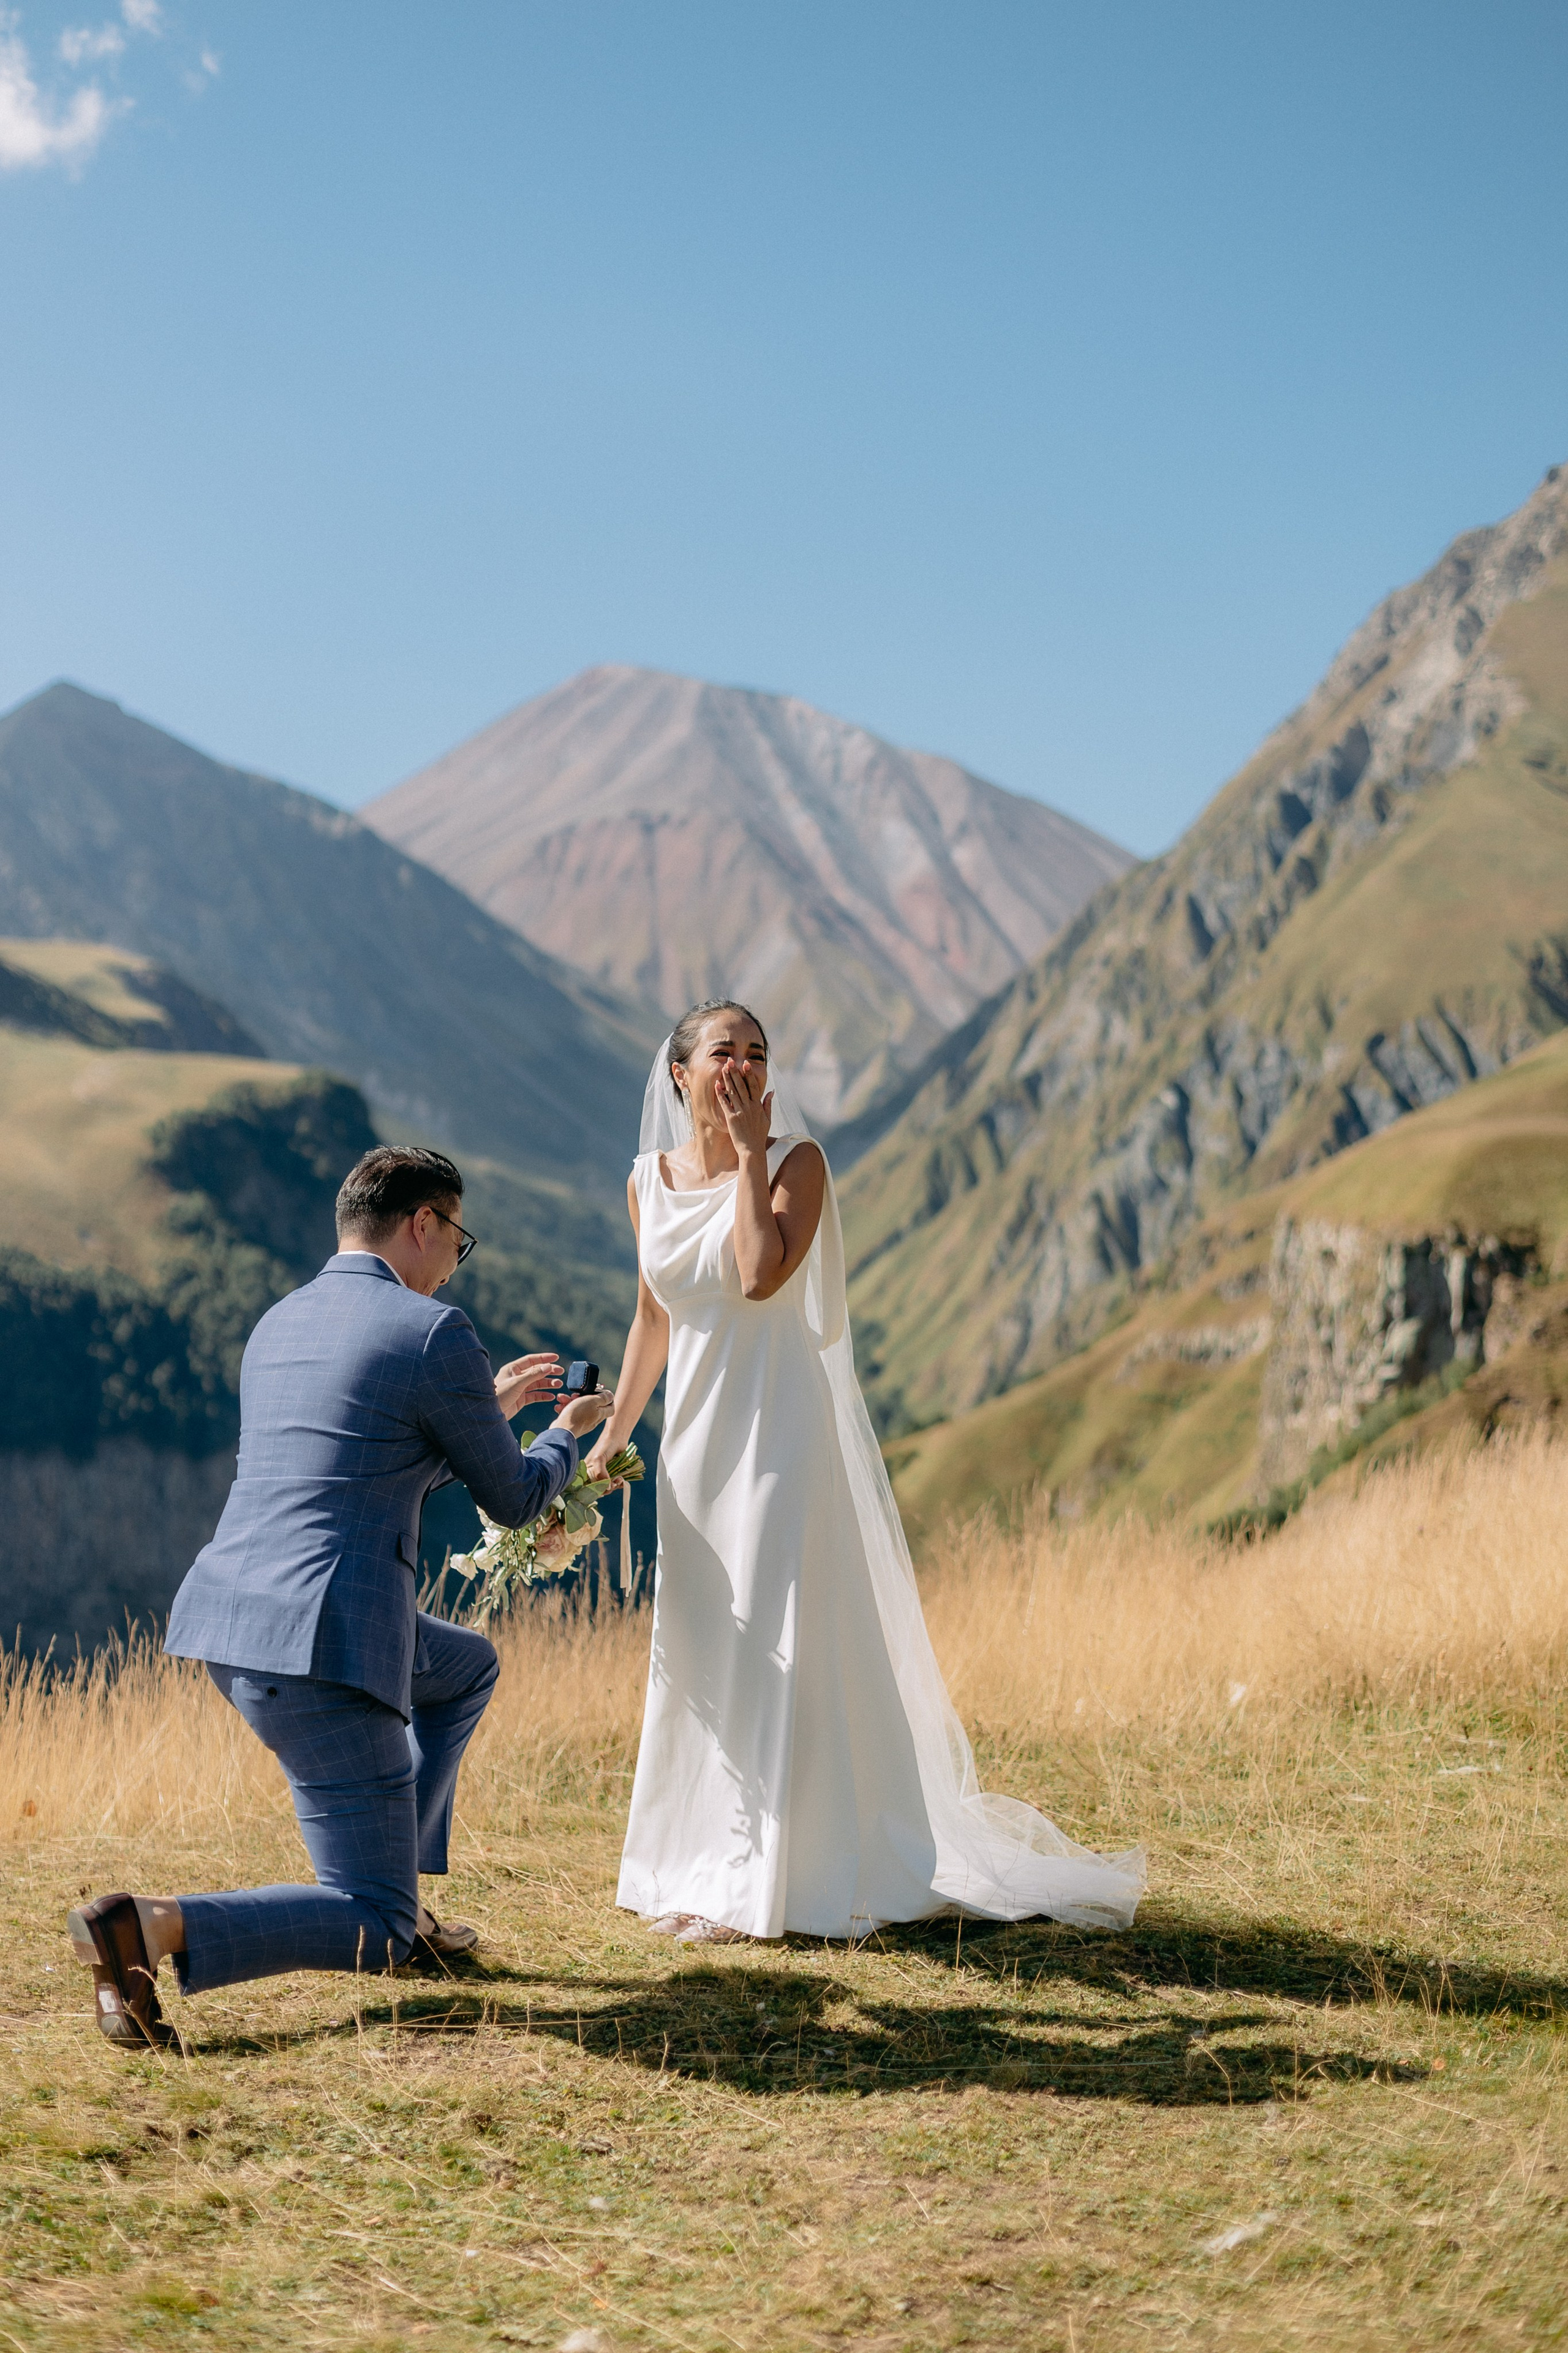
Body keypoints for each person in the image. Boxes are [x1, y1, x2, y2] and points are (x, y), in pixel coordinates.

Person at [588, 1001, 1145, 1946]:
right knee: (707, 1644)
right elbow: (654, 1319)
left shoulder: (796, 1162)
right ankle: (701, 1861)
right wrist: (612, 1435)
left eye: (758, 1053)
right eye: (725, 1051)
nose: (744, 1066)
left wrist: (751, 1151)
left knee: (779, 1634)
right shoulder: (648, 1180)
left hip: (777, 1435)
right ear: (680, 1071)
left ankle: (781, 1878)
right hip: (694, 1449)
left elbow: (759, 1274)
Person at [67, 1144, 612, 2047]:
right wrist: (564, 1431)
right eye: (456, 1240)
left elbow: (362, 1459)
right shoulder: (433, 1330)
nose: (451, 1264)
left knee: (466, 1666)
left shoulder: (279, 1322)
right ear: (423, 1224)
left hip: (236, 1619)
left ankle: (405, 1876)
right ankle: (150, 1927)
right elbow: (515, 1497)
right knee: (372, 1921)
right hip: (326, 1643)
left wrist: (482, 1404)